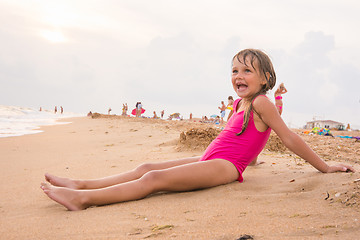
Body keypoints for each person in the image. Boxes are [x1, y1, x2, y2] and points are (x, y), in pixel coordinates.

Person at [41, 48, 355, 211]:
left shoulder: (262, 102)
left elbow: (287, 137)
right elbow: (248, 138)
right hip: (210, 159)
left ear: (265, 78)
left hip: (225, 167)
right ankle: (82, 185)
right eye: (234, 70)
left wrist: (325, 166)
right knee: (146, 166)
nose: (239, 75)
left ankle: (84, 200)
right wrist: (255, 157)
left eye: (247, 70)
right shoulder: (238, 104)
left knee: (153, 179)